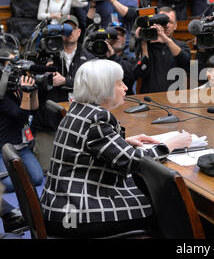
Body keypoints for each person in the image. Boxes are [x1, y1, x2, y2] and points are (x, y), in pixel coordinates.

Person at [39, 59, 192, 238]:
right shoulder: (97, 118)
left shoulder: (79, 109)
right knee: (167, 208)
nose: (126, 87)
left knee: (150, 195)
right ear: (104, 89)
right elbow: (134, 162)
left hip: (59, 205)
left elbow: (91, 145)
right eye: (120, 84)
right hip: (75, 215)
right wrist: (171, 144)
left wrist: (123, 142)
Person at [31, 15, 95, 173]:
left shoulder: (89, 59)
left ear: (79, 32)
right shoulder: (48, 55)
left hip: (79, 124)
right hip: (49, 124)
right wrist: (44, 72)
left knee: (79, 169)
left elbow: (93, 86)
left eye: (72, 28)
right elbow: (34, 83)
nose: (69, 32)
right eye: (64, 29)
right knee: (48, 169)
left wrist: (65, 81)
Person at [0, 49, 44, 192]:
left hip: (22, 145)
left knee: (37, 179)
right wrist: (26, 94)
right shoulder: (2, 94)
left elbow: (34, 109)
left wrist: (34, 89)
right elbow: (21, 117)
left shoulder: (17, 85)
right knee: (9, 185)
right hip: (4, 147)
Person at [133, 7, 190, 94]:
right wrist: (144, 42)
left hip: (175, 99)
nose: (166, 25)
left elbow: (185, 61)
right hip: (150, 98)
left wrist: (166, 40)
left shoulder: (182, 45)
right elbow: (141, 73)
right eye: (162, 22)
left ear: (175, 25)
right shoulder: (146, 45)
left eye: (170, 22)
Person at [104, 24, 136, 95]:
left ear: (125, 38)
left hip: (126, 100)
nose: (118, 37)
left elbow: (131, 76)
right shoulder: (100, 58)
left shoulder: (130, 60)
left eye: (121, 35)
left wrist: (113, 57)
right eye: (114, 35)